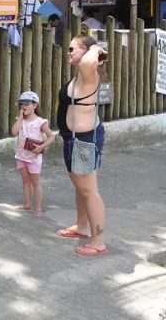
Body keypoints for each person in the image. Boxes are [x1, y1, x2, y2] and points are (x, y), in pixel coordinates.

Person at [56, 34, 109, 256]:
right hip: (73, 139)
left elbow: (89, 61)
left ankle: (98, 241)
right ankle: (81, 227)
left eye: (72, 49)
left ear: (85, 52)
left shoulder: (89, 72)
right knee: (81, 188)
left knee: (89, 191)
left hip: (85, 140)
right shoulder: (80, 75)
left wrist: (95, 49)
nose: (68, 53)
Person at [11, 91, 55, 216]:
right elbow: (14, 132)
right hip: (21, 155)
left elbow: (51, 137)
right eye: (21, 104)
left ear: (35, 105)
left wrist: (41, 147)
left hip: (34, 157)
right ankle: (27, 203)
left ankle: (38, 207)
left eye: (26, 104)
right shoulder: (21, 121)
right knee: (25, 180)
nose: (23, 106)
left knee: (36, 182)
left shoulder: (40, 122)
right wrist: (20, 117)